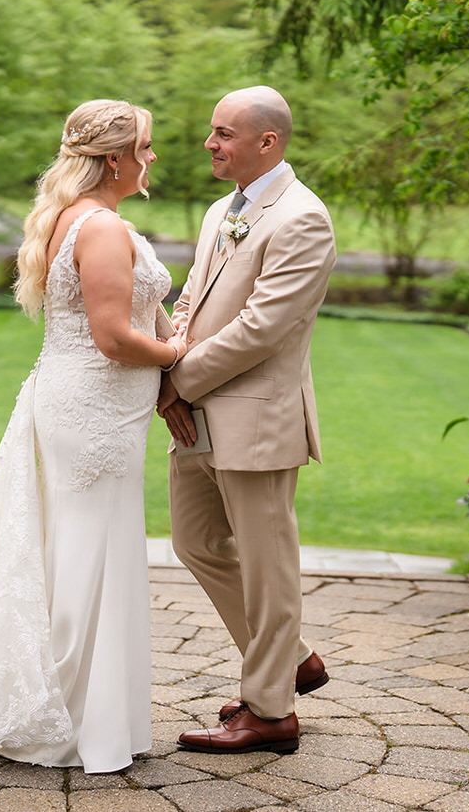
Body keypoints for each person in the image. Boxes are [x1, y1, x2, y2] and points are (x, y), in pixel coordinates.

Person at [0, 99, 183, 774]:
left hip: (80, 403)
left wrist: (169, 341)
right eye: (144, 147)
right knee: (86, 553)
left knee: (72, 550)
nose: (150, 159)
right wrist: (183, 354)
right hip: (93, 410)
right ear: (113, 157)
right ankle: (71, 719)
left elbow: (132, 313)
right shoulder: (103, 228)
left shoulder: (73, 217)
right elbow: (114, 337)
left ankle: (72, 707)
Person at [157, 85, 336, 755]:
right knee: (195, 540)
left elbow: (262, 329)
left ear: (269, 142)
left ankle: (269, 711)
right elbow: (192, 299)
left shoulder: (303, 219)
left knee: (268, 566)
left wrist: (178, 380)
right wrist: (171, 350)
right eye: (212, 130)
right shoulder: (219, 211)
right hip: (196, 416)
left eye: (225, 133)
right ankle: (292, 660)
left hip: (257, 419)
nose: (211, 142)